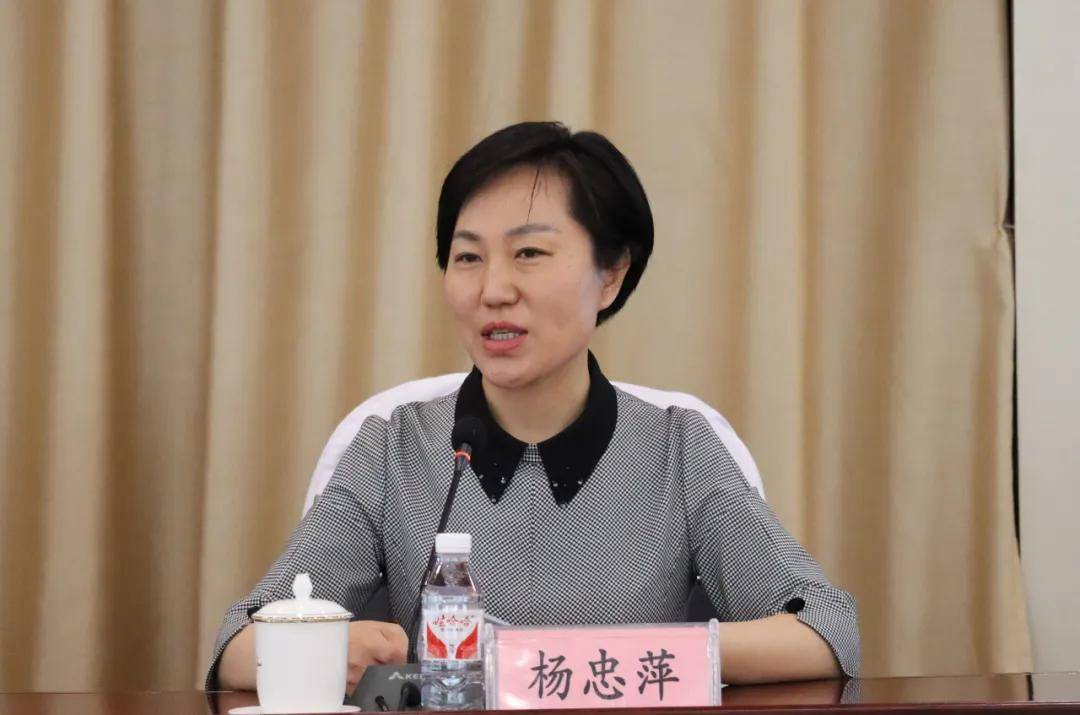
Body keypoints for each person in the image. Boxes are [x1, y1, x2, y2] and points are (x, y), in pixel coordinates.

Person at [209, 122, 859, 694]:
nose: (494, 289)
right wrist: (325, 651)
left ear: (611, 274)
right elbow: (236, 647)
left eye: (529, 253)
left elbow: (826, 633)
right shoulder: (394, 446)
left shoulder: (678, 448)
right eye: (468, 257)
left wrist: (609, 658)